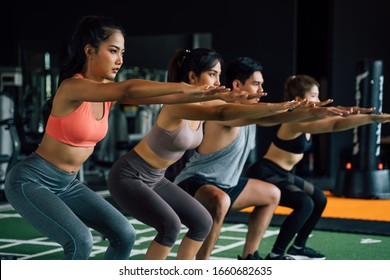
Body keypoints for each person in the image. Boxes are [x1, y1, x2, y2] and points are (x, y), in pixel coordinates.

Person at [3, 16, 235, 260]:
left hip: (67, 184)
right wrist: (188, 88)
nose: (120, 60)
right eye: (113, 51)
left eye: (122, 52)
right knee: (80, 240)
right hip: (32, 180)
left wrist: (215, 97)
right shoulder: (73, 87)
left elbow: (164, 99)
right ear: (89, 51)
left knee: (125, 234)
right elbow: (128, 89)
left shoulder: (105, 94)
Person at [107, 49, 304, 260]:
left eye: (219, 75)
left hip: (156, 178)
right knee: (170, 227)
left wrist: (297, 112)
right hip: (130, 175)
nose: (218, 81)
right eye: (212, 74)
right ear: (192, 76)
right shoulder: (178, 104)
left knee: (202, 222)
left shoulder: (205, 103)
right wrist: (280, 108)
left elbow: (253, 116)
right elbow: (222, 112)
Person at [174, 57, 351, 260]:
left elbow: (272, 116)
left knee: (272, 194)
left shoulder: (250, 113)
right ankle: (201, 264)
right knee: (220, 201)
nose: (261, 90)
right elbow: (272, 116)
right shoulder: (227, 111)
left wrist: (367, 118)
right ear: (237, 85)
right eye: (256, 84)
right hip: (195, 182)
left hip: (228, 184)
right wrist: (299, 110)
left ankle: (250, 256)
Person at [247, 74, 390, 260]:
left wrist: (368, 116)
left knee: (319, 199)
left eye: (318, 95)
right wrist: (371, 119)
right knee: (304, 203)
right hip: (266, 171)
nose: (319, 100)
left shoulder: (308, 119)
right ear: (299, 99)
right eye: (314, 95)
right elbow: (335, 124)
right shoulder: (294, 120)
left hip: (282, 172)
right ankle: (276, 254)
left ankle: (298, 247)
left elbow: (336, 119)